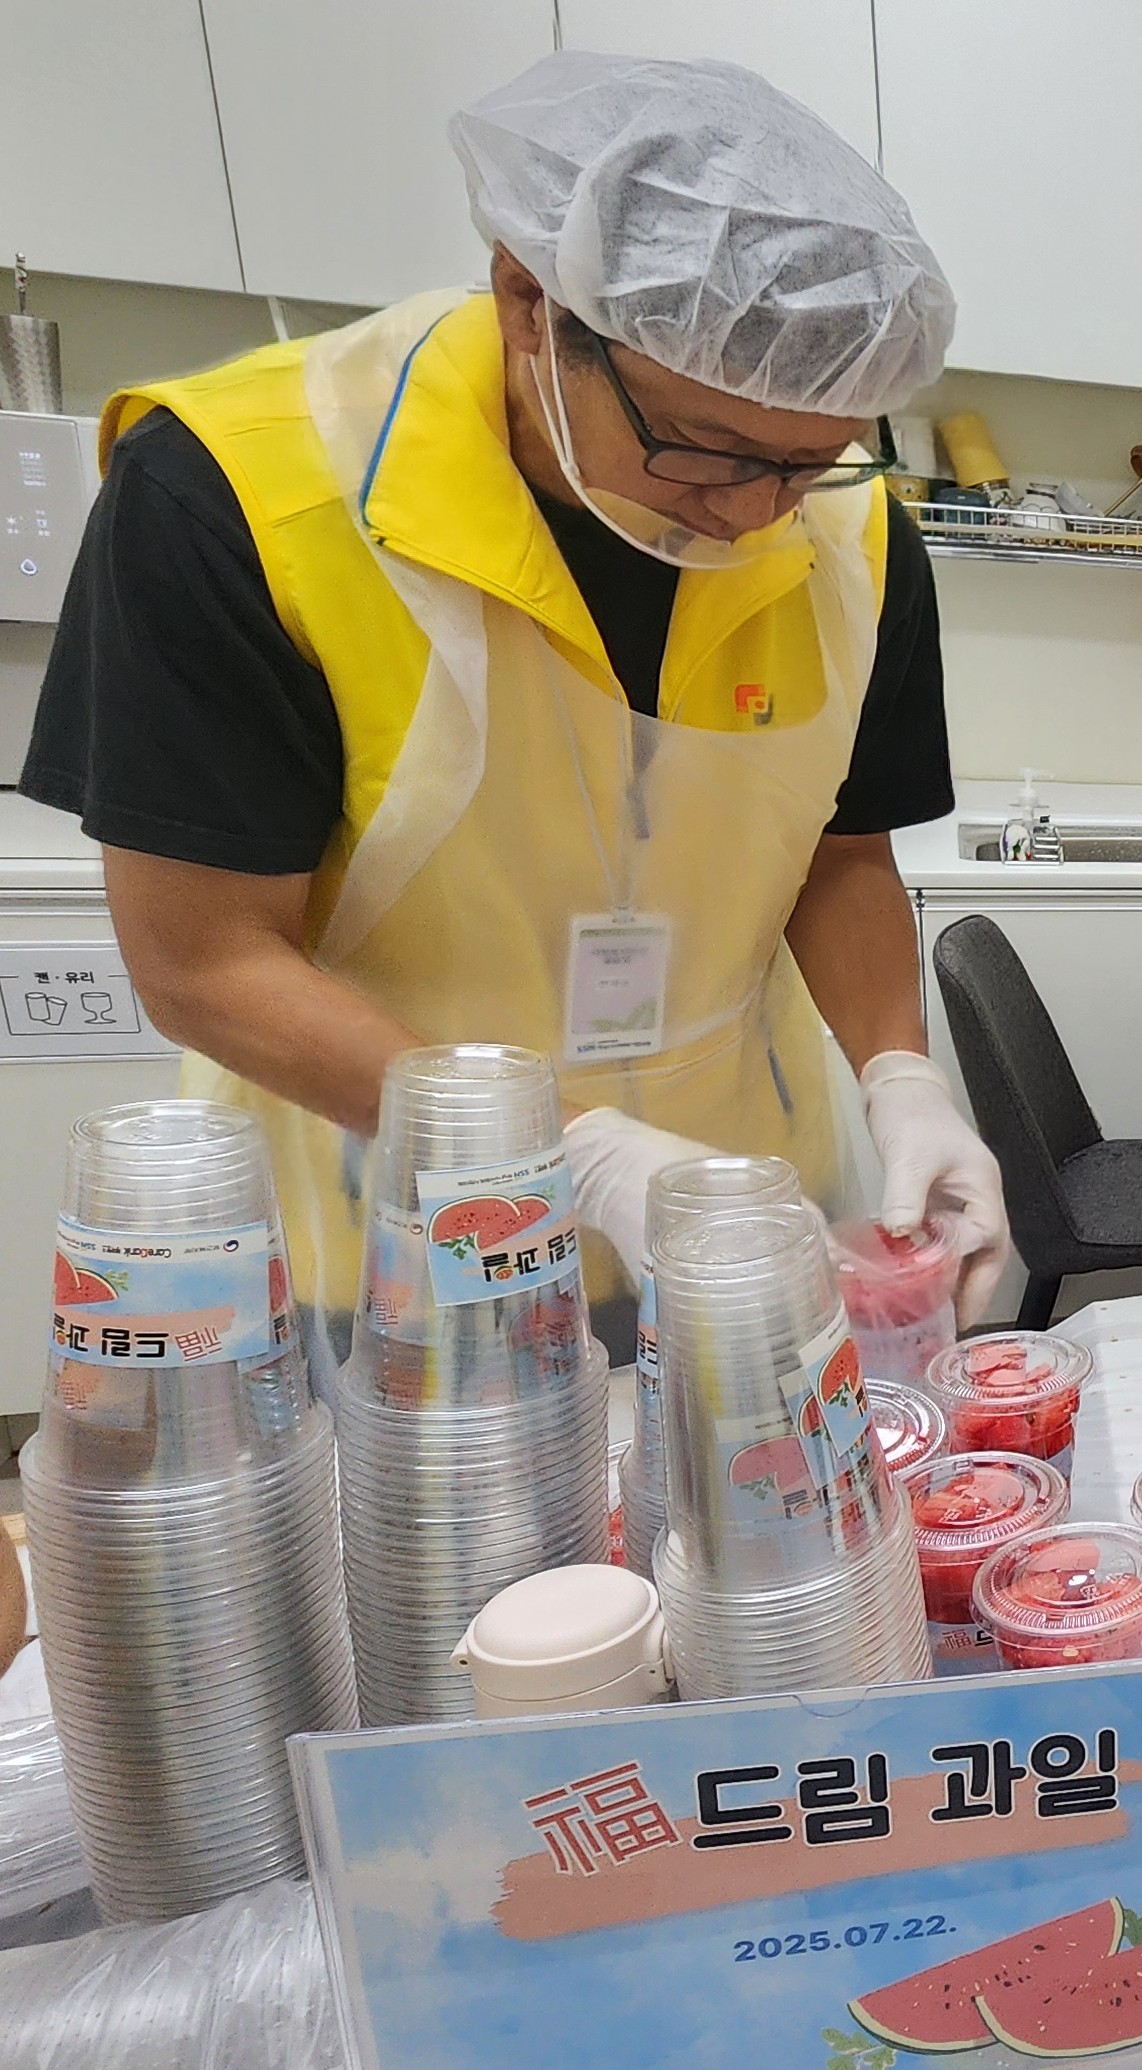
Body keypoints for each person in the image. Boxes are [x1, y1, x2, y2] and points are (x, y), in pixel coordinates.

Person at [25, 53, 1009, 1335]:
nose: (758, 511)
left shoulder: (856, 541)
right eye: (705, 450)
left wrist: (901, 1075)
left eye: (809, 461)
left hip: (744, 1223)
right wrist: (580, 1158)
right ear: (529, 302)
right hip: (392, 1250)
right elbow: (202, 962)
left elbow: (840, 853)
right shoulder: (241, 493)